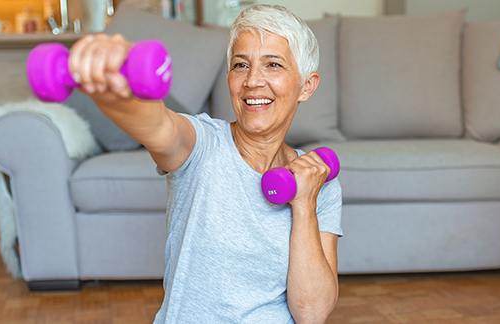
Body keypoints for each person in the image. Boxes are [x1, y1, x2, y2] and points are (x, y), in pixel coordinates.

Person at [69, 4, 342, 323]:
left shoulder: (318, 181)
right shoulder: (202, 144)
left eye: (273, 64)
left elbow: (312, 313)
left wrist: (305, 204)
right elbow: (157, 125)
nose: (253, 80)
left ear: (306, 86)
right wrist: (112, 82)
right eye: (241, 65)